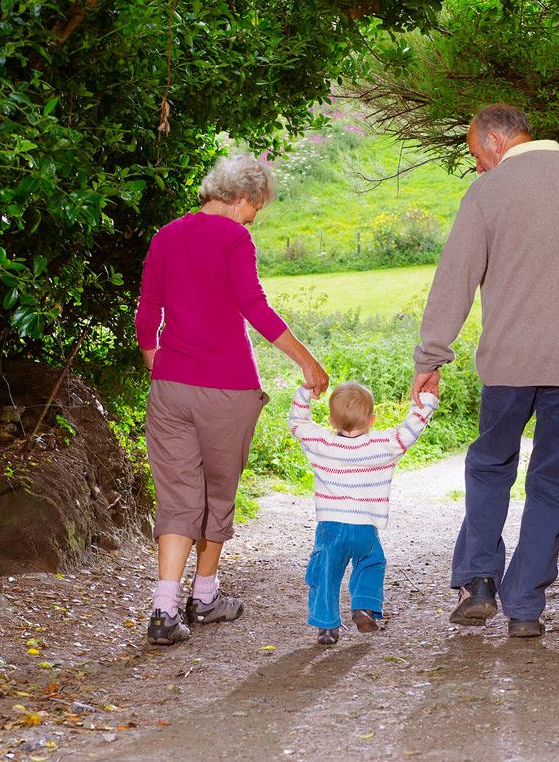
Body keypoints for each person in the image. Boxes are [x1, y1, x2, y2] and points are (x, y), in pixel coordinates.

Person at [410, 104, 559, 638]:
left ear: (494, 142)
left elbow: (455, 279)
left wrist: (432, 358)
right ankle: (525, 607)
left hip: (510, 363)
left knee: (491, 466)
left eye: (474, 155)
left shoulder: (489, 193)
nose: (476, 167)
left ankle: (479, 580)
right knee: (554, 483)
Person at [135, 153, 329, 646]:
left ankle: (163, 609)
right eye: (256, 208)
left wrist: (157, 359)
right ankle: (203, 597)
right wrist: (306, 361)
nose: (254, 217)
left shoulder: (166, 235)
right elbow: (253, 306)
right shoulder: (234, 237)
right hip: (228, 389)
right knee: (218, 492)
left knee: (178, 494)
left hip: (171, 389)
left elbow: (147, 311)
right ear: (243, 197)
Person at [288, 381, 438, 645]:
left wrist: (304, 394)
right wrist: (425, 404)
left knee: (326, 572)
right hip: (365, 528)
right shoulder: (382, 445)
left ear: (332, 420)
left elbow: (297, 423)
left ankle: (326, 626)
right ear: (371, 420)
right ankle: (364, 607)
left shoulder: (321, 443)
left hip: (331, 527)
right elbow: (409, 431)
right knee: (371, 563)